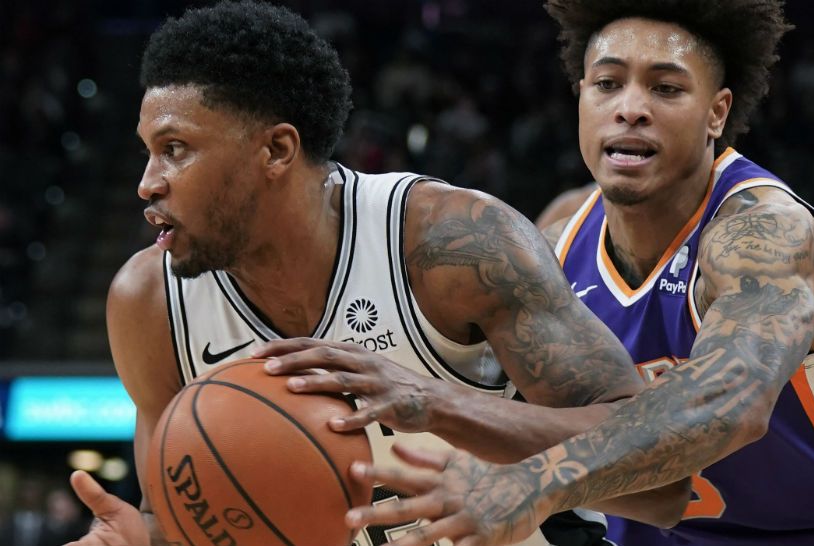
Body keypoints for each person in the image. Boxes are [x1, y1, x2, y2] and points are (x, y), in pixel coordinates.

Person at [341, 1, 814, 545]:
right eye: (607, 84)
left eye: (666, 88)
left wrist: (531, 482)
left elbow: (730, 406)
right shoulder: (555, 247)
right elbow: (529, 418)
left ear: (717, 113)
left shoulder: (764, 236)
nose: (631, 108)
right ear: (581, 98)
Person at [64, 2, 689, 545]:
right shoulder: (148, 300)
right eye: (148, 152)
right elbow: (185, 519)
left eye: (175, 149)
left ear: (277, 150)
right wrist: (143, 539)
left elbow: (663, 482)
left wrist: (440, 405)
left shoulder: (451, 243)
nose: (147, 183)